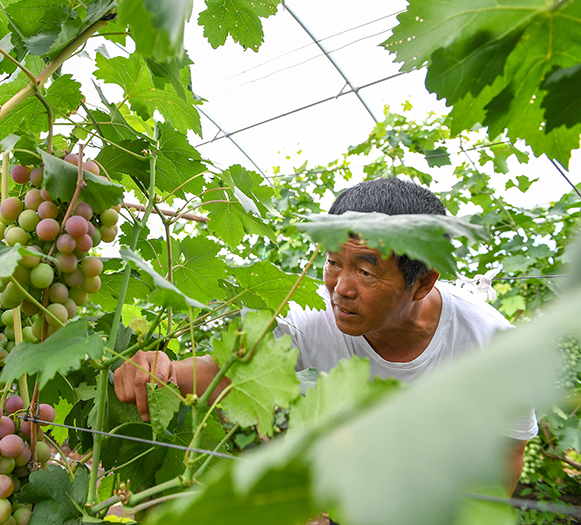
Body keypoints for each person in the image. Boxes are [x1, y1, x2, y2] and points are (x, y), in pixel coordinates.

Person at [112, 177, 536, 494]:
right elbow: (229, 376)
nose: (340, 288)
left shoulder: (492, 346)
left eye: (366, 272)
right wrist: (161, 370)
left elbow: (505, 456)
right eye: (334, 263)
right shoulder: (312, 319)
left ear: (422, 283)